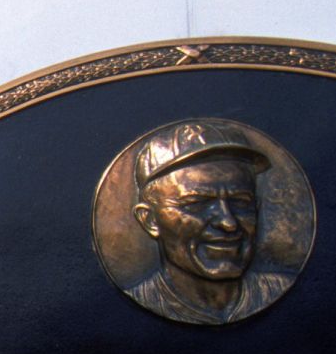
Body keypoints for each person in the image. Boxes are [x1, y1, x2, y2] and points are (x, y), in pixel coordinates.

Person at [125, 119, 295, 325]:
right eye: (197, 204)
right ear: (150, 220)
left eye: (240, 202)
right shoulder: (123, 314)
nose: (228, 222)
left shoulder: (293, 297)